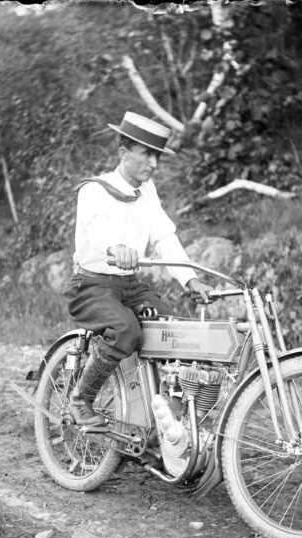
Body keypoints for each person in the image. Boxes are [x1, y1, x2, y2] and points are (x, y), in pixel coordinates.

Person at [65, 110, 213, 428]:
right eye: (147, 154)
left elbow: (164, 237)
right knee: (126, 330)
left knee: (172, 330)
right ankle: (81, 399)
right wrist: (114, 248)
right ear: (124, 153)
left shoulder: (148, 192)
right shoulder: (95, 189)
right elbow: (95, 231)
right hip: (92, 286)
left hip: (129, 286)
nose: (154, 163)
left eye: (157, 156)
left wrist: (190, 279)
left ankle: (167, 414)